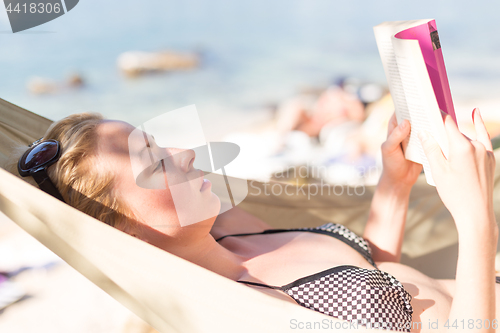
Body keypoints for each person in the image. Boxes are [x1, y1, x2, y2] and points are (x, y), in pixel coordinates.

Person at [10, 109, 498, 332]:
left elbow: (379, 273)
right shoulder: (239, 315)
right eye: (155, 163)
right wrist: (475, 219)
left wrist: (395, 186)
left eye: (157, 142)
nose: (182, 152)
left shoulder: (230, 226)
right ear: (123, 231)